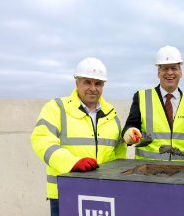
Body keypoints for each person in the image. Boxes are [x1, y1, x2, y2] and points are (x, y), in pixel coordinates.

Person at [31, 57, 125, 216]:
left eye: (98, 83)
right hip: (66, 192)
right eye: (87, 82)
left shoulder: (111, 113)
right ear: (77, 82)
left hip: (104, 194)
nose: (93, 88)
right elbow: (42, 141)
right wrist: (72, 163)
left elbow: (117, 152)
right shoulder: (56, 108)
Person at [123, 45, 184, 162]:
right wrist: (129, 134)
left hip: (183, 173)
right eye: (165, 68)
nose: (170, 73)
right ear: (158, 72)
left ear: (181, 72)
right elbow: (130, 127)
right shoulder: (141, 97)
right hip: (148, 172)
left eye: (174, 68)